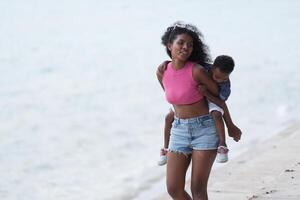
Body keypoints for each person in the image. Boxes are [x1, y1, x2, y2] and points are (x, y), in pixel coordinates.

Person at [156, 21, 224, 200]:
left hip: (204, 128)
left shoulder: (197, 70)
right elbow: (174, 97)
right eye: (181, 43)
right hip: (179, 130)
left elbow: (217, 93)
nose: (186, 47)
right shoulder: (162, 71)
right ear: (170, 45)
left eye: (190, 45)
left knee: (198, 189)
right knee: (173, 188)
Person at [157, 55, 241, 165]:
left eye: (224, 78)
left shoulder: (225, 84)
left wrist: (206, 93)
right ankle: (165, 148)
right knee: (168, 118)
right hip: (193, 100)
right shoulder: (203, 69)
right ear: (212, 68)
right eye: (217, 77)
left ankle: (222, 145)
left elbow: (221, 102)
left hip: (212, 100)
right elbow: (183, 64)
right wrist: (167, 63)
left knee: (216, 114)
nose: (220, 80)